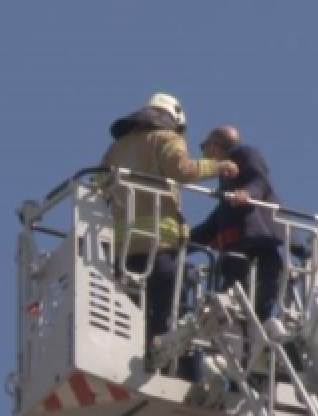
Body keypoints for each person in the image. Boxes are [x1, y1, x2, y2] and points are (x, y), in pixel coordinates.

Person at [98, 93, 238, 379]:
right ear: (173, 118)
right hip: (159, 247)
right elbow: (182, 170)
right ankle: (173, 370)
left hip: (122, 250)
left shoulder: (116, 149)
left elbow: (98, 185)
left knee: (133, 313)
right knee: (172, 315)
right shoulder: (166, 138)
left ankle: (137, 359)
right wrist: (219, 167)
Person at [190, 125, 285, 322]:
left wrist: (248, 194)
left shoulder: (245, 155)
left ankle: (257, 320)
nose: (204, 154)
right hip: (239, 245)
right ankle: (247, 323)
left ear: (214, 146)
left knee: (267, 278)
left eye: (203, 147)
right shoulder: (226, 182)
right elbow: (216, 221)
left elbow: (260, 181)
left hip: (257, 239)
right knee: (234, 287)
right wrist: (182, 241)